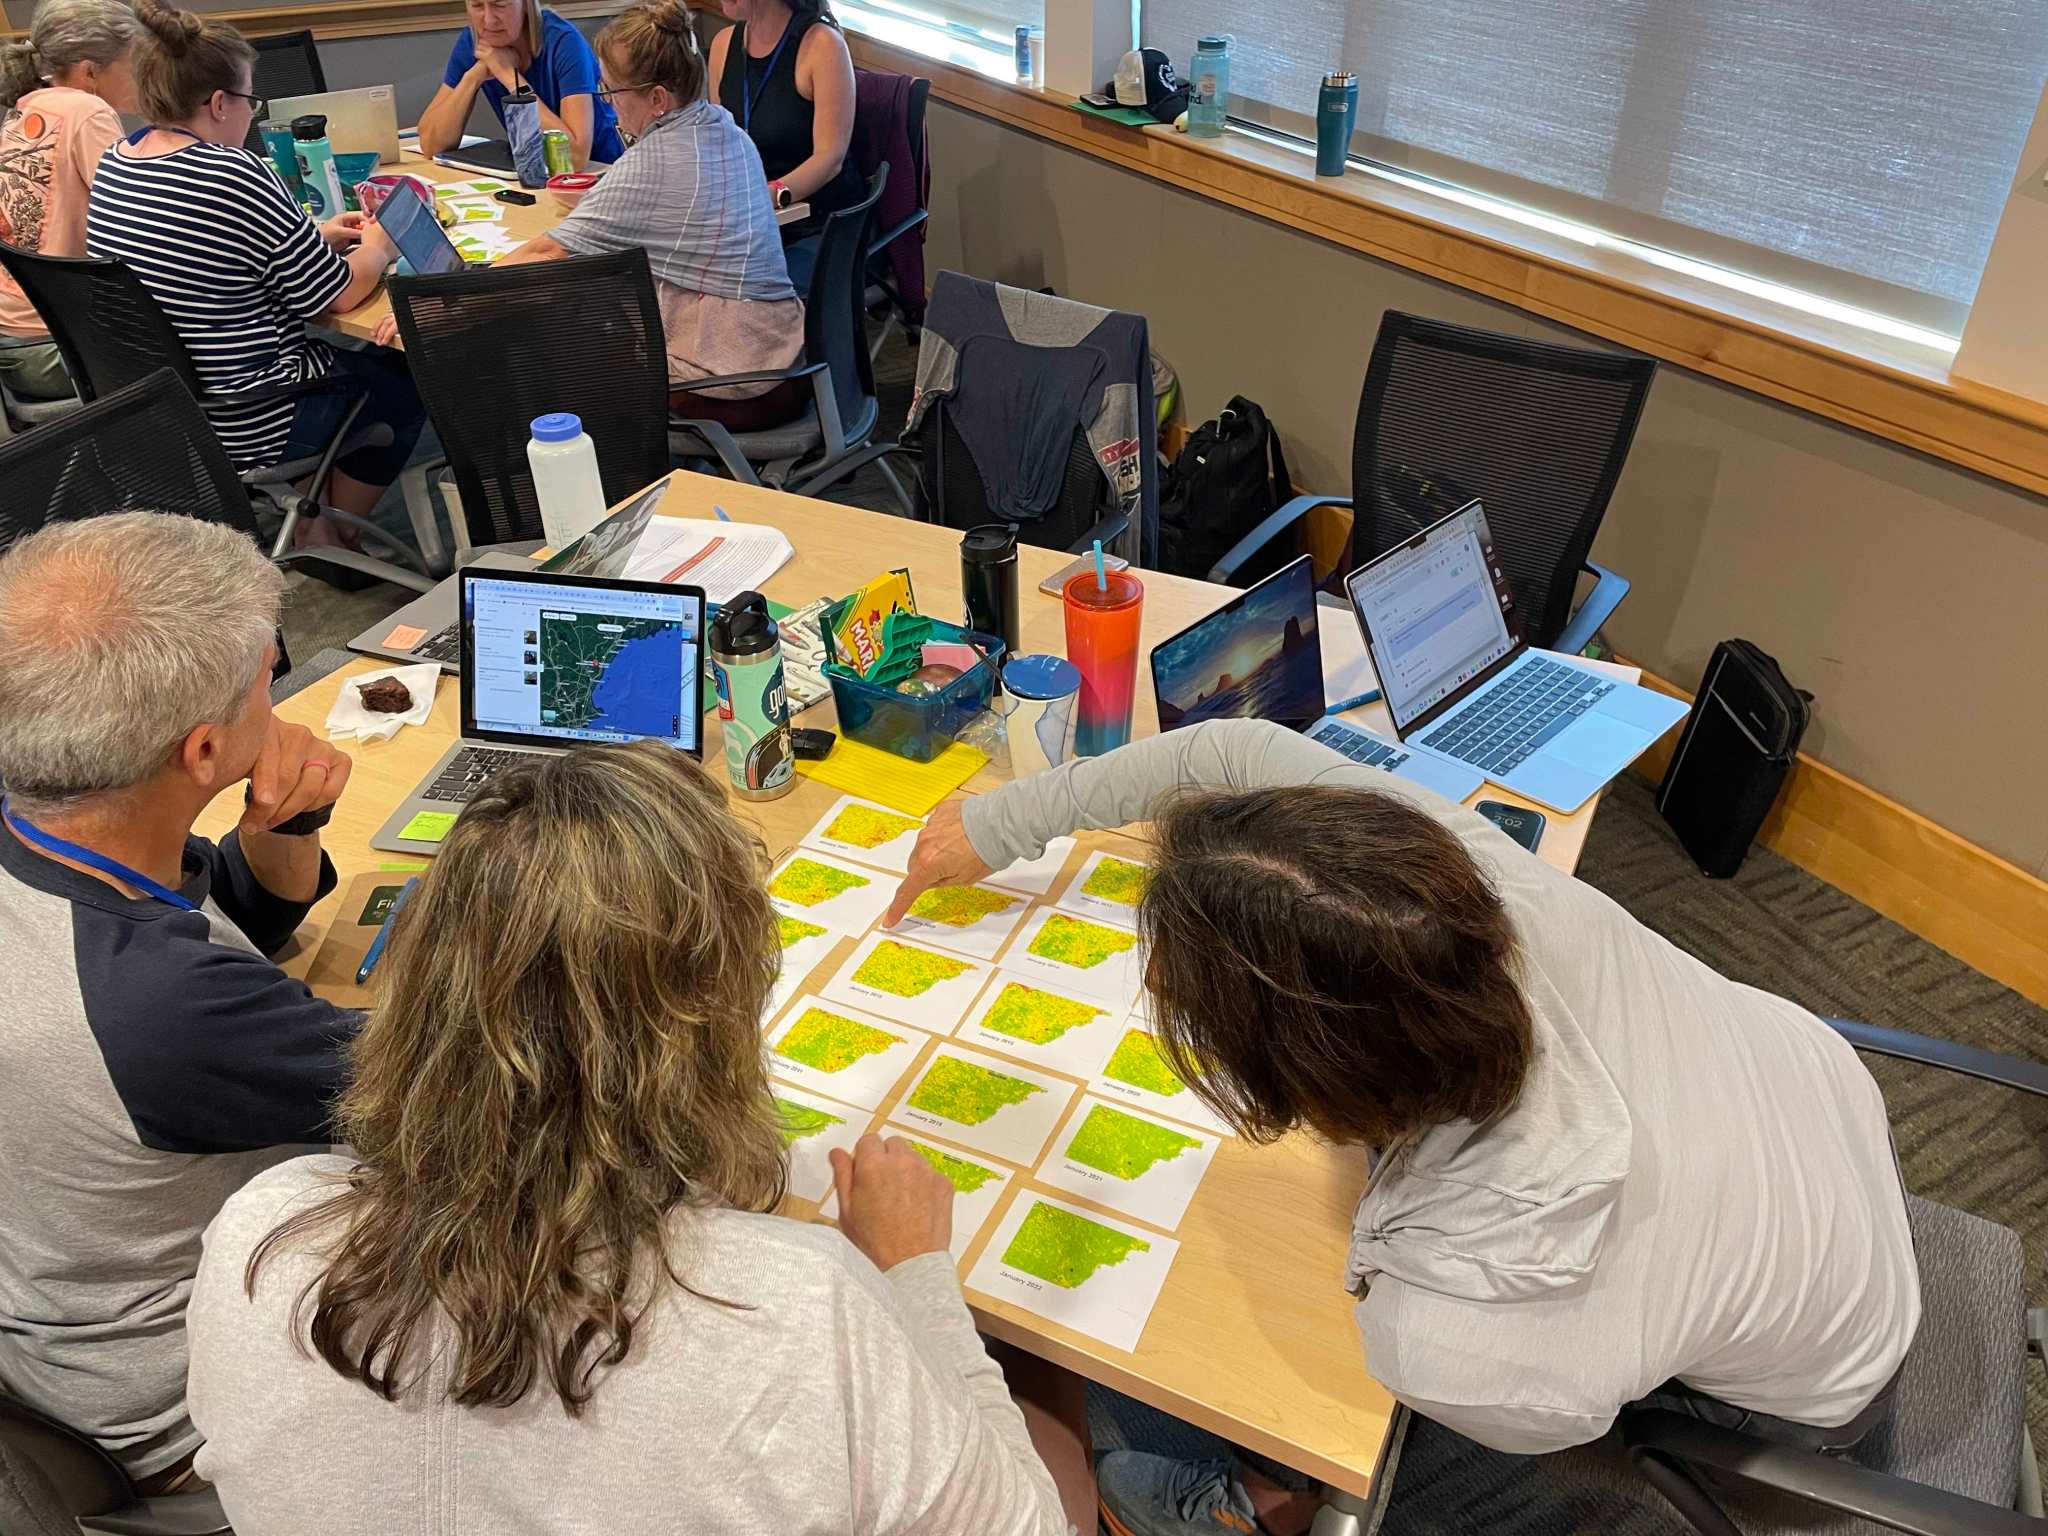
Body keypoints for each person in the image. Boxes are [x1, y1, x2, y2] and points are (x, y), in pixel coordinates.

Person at [882, 718, 1922, 1536]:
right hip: (1816, 1128)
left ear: (1319, 1081)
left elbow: (1557, 1418)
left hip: (1809, 1396)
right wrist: (1000, 822)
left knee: (1167, 1428)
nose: (1155, 983)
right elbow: (1234, 751)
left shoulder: (1444, 1335)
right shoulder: (1455, 883)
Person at [185, 740, 1088, 1535]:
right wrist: (916, 1280)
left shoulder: (257, 1236)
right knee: (1059, 1408)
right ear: (713, 1023)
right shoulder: (803, 1310)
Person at [0, 513, 360, 1492]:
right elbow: (453, 1078)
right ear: (203, 752)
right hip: (191, 1421)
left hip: (62, 1335)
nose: (278, 695)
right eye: (266, 679)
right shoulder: (158, 1007)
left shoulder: (52, 827)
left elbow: (228, 910)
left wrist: (295, 821)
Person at [87, 0, 426, 550]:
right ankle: (331, 537)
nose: (252, 114)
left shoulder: (118, 160)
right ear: (219, 102)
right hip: (256, 416)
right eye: (250, 100)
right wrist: (381, 245)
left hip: (173, 406)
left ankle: (312, 512)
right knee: (407, 376)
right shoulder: (232, 172)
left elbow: (207, 255)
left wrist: (313, 238)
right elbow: (337, 297)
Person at [386, 0, 808, 433]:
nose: (608, 104)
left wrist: (432, 308)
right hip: (779, 352)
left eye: (611, 92)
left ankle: (562, 474)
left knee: (541, 342)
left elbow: (548, 251)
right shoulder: (725, 129)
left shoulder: (653, 162)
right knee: (572, 309)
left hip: (731, 378)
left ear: (657, 99)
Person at [0, 0, 139, 401]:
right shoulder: (88, 110)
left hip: (17, 343)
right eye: (132, 63)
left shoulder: (26, 106)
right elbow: (133, 216)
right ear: (90, 70)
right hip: (63, 351)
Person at [709, 0, 862, 292]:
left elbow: (830, 159)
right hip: (755, 224)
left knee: (751, 294)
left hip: (819, 225)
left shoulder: (823, 45)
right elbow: (722, 144)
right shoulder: (723, 44)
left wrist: (769, 195)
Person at [417, 0, 624, 168]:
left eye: (499, 5)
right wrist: (473, 77)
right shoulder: (474, 42)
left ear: (525, 4)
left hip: (601, 171)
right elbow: (431, 144)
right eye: (477, 6)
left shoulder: (564, 41)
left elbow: (575, 157)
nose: (489, 20)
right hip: (536, 171)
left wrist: (508, 75)